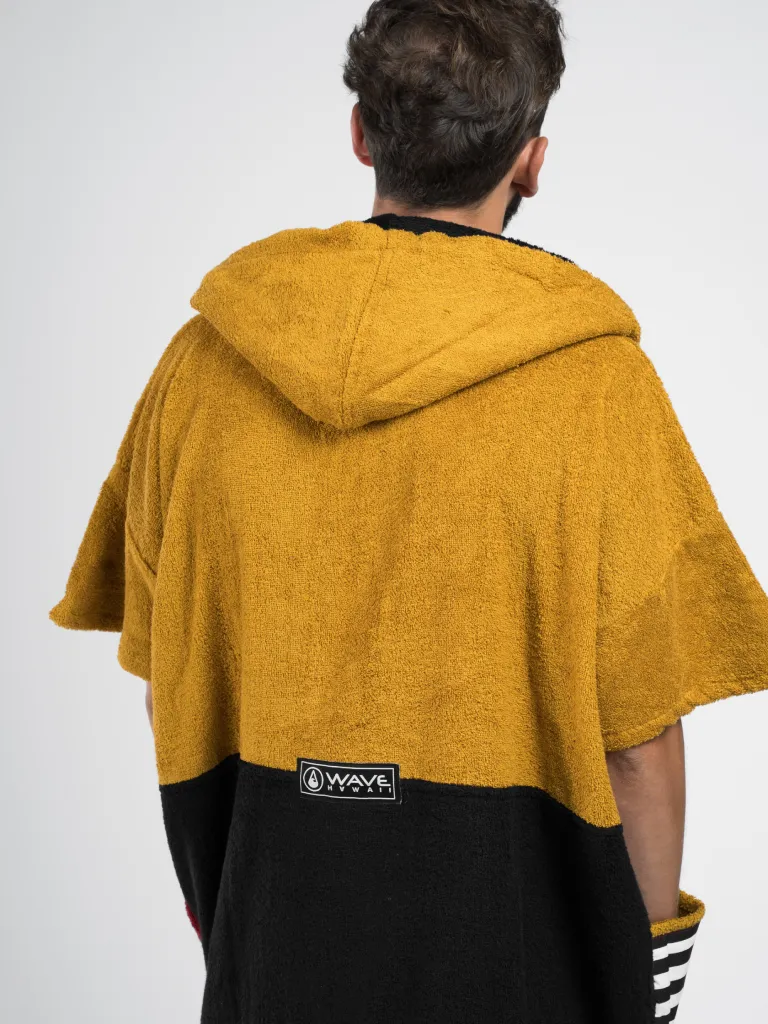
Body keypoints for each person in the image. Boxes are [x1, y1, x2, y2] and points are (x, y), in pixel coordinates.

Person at [49, 2, 768, 1022]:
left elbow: (174, 688)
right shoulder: (599, 389)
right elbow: (638, 744)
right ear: (531, 160)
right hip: (525, 964)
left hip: (275, 947)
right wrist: (650, 968)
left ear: (361, 134)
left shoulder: (201, 368)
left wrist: (236, 919)